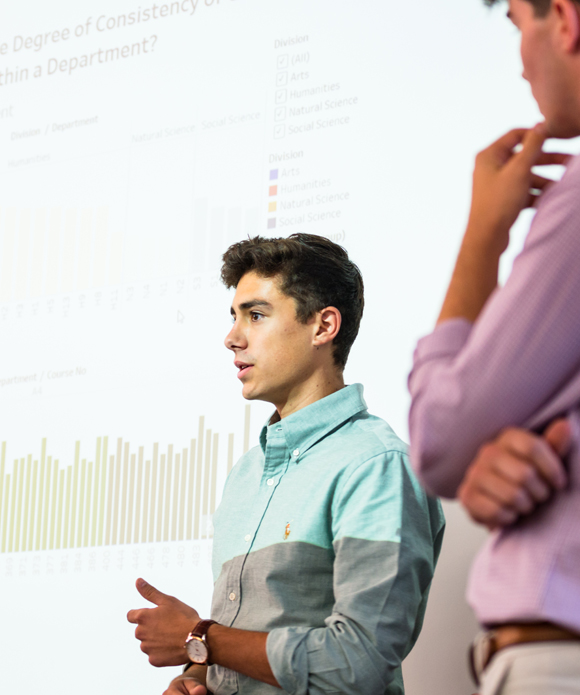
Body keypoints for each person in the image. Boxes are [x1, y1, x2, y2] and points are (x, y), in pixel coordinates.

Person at [128, 234, 444, 695]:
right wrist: (196, 676)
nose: (232, 338)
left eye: (255, 315)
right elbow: (243, 640)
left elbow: (358, 663)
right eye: (234, 317)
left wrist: (200, 639)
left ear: (323, 327)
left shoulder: (375, 466)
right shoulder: (245, 474)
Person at [408, 0, 580, 692]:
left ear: (563, 19)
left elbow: (442, 439)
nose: (518, 62)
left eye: (517, 24)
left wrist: (483, 233)